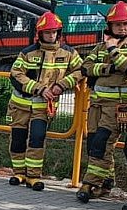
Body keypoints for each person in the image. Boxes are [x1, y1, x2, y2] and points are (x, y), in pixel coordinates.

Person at [76, 1, 127, 203]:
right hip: (97, 104)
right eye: (118, 24)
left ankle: (90, 183)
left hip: (120, 107)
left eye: (126, 24)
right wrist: (110, 68)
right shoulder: (100, 46)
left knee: (103, 142)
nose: (122, 27)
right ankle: (106, 184)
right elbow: (86, 67)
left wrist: (113, 52)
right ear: (110, 26)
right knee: (94, 144)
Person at [6, 11, 83, 190]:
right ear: (40, 34)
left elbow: (81, 70)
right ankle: (19, 173)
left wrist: (62, 85)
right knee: (18, 139)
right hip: (20, 106)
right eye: (48, 32)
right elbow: (15, 74)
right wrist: (39, 88)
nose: (51, 35)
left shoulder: (69, 53)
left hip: (43, 108)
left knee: (37, 138)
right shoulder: (27, 53)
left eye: (54, 32)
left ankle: (33, 175)